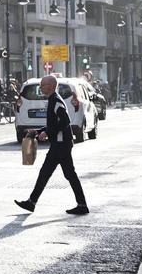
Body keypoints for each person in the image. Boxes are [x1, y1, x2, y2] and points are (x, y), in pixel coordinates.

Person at [15, 75, 89, 216]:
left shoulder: (56, 101)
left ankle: (32, 202)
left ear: (50, 86)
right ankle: (32, 202)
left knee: (57, 174)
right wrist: (39, 131)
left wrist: (47, 132)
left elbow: (65, 121)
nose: (40, 87)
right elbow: (54, 123)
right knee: (57, 174)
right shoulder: (52, 100)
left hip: (61, 145)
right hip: (60, 144)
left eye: (42, 85)